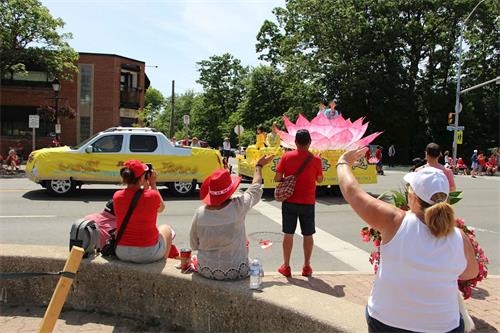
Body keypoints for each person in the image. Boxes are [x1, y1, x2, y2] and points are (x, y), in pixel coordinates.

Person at [337, 147, 479, 333]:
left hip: (386, 322)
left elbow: (352, 192)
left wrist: (343, 162)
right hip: (443, 327)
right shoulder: (459, 236)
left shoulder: (394, 221)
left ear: (412, 197)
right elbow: (470, 272)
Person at [189, 154, 274, 281]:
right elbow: (255, 189)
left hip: (205, 269)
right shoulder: (238, 206)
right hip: (236, 270)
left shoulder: (199, 213)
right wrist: (259, 166)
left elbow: (194, 245)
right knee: (253, 260)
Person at [274, 129, 323, 277]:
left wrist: (288, 179)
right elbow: (320, 180)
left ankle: (286, 266)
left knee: (288, 234)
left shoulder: (286, 157)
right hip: (308, 202)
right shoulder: (315, 159)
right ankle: (306, 267)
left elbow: (277, 178)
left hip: (289, 201)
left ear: (295, 142)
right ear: (309, 142)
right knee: (308, 235)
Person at [113, 160, 174, 263]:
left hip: (121, 252)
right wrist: (153, 184)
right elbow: (161, 208)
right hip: (147, 253)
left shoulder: (117, 196)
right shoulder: (152, 195)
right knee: (166, 229)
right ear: (141, 178)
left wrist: (143, 185)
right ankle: (161, 263)